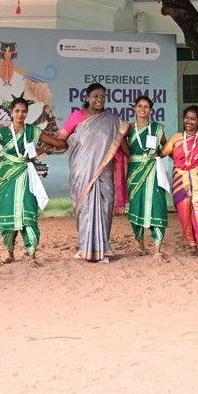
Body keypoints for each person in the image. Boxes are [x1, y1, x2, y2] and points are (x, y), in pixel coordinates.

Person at [0, 94, 66, 266]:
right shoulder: (1, 132)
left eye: (24, 112)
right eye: (17, 111)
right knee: (6, 214)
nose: (20, 114)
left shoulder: (33, 131)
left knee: (28, 213)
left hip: (26, 176)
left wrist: (42, 151)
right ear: (11, 112)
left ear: (27, 113)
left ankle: (32, 256)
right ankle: (10, 254)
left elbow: (57, 143)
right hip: (7, 176)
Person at [59, 83, 129, 263]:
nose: (100, 100)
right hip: (82, 170)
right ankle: (84, 247)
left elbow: (122, 145)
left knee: (105, 209)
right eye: (96, 96)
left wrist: (140, 157)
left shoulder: (113, 120)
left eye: (103, 96)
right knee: (84, 209)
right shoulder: (77, 117)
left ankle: (102, 250)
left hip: (104, 172)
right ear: (87, 98)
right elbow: (61, 139)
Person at [163, 105, 198, 260]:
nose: (189, 121)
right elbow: (162, 152)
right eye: (187, 118)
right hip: (181, 182)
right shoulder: (176, 138)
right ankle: (192, 245)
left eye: (193, 119)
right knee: (184, 215)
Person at [124, 95, 170, 260]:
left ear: (151, 110)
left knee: (157, 206)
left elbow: (166, 146)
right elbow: (122, 148)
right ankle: (141, 246)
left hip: (153, 170)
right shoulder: (127, 128)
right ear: (134, 108)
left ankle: (157, 249)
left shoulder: (157, 128)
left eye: (146, 106)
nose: (142, 109)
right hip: (135, 171)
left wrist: (159, 154)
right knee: (136, 206)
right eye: (139, 106)